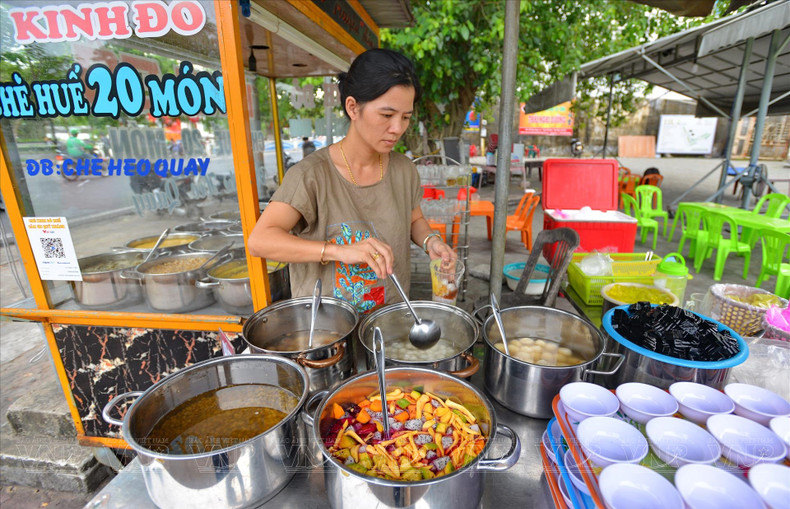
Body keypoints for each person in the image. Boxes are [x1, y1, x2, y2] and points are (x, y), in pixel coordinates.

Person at [247, 49, 455, 314]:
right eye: (386, 115)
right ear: (353, 107)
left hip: (388, 320)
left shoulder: (403, 170)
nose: (397, 129)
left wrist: (431, 242)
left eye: (406, 117)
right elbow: (260, 241)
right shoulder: (311, 175)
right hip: (328, 333)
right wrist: (339, 251)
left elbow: (414, 220)